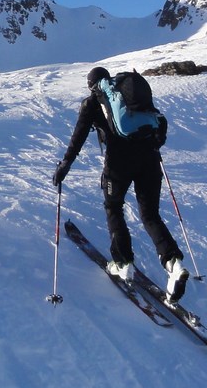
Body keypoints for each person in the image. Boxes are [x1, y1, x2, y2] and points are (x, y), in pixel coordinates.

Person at [52, 66, 189, 302]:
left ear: (92, 85)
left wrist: (65, 163)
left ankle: (123, 263)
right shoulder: (130, 95)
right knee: (150, 214)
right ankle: (174, 265)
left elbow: (79, 136)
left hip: (119, 165)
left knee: (113, 206)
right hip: (149, 160)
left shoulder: (93, 103)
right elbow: (159, 122)